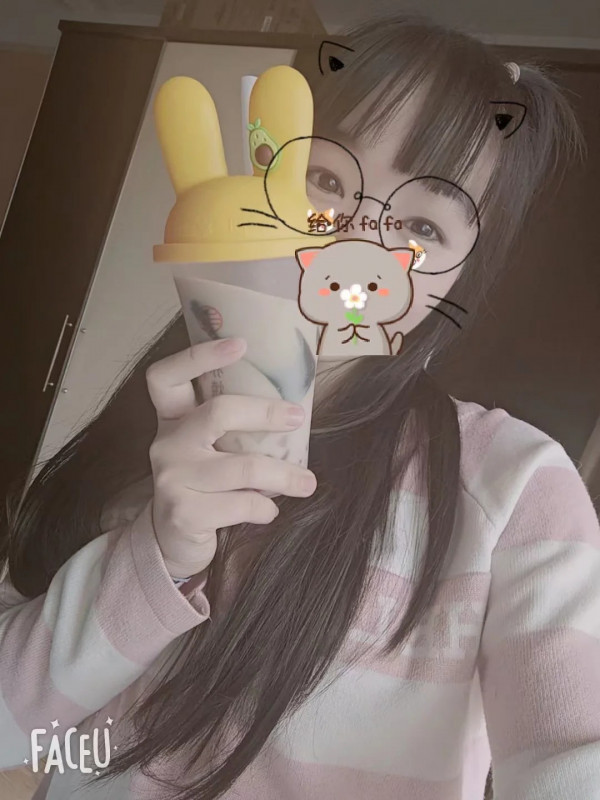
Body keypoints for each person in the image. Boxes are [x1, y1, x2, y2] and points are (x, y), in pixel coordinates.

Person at [1, 12, 599, 800]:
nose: (351, 237)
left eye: (422, 225)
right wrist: (154, 559)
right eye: (326, 180)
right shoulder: (135, 441)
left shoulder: (513, 488)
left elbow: (571, 757)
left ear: (457, 280)